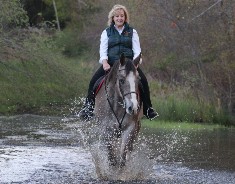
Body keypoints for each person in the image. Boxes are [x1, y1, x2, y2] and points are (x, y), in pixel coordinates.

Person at [79, 4, 158, 120]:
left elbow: (137, 51)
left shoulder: (132, 32)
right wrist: (105, 62)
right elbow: (103, 50)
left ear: (125, 18)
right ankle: (88, 108)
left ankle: (148, 108)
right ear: (113, 18)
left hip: (129, 65)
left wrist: (135, 64)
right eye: (117, 16)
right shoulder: (106, 32)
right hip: (111, 64)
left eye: (122, 16)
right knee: (93, 82)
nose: (119, 18)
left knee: (143, 82)